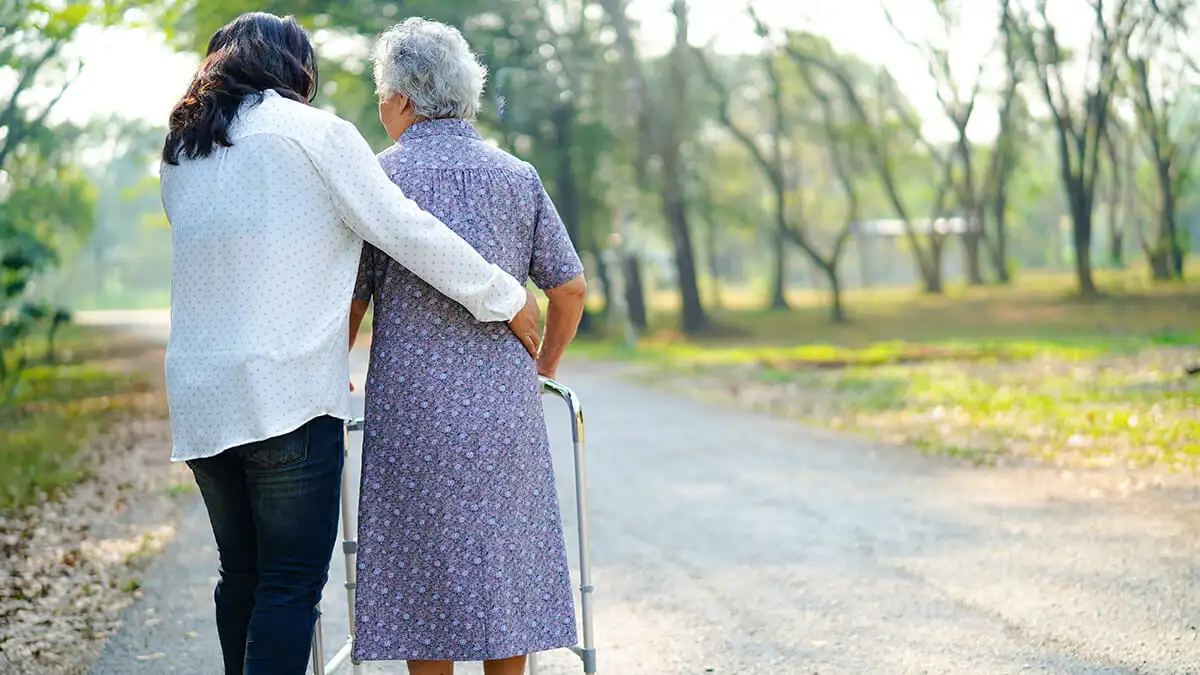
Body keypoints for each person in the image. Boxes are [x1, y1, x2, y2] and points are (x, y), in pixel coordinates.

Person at [159, 12, 541, 675]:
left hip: (200, 393)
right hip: (286, 390)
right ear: (292, 67)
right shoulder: (314, 133)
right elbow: (405, 229)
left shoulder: (183, 149)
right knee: (287, 582)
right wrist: (505, 295)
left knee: (241, 574)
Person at [347, 18, 588, 675]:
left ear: (401, 98)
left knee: (424, 567)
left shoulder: (376, 181)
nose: (379, 105)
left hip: (412, 412)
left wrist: (331, 369)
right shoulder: (518, 176)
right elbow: (568, 291)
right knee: (504, 562)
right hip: (506, 409)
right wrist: (543, 369)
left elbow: (352, 301)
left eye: (380, 92)